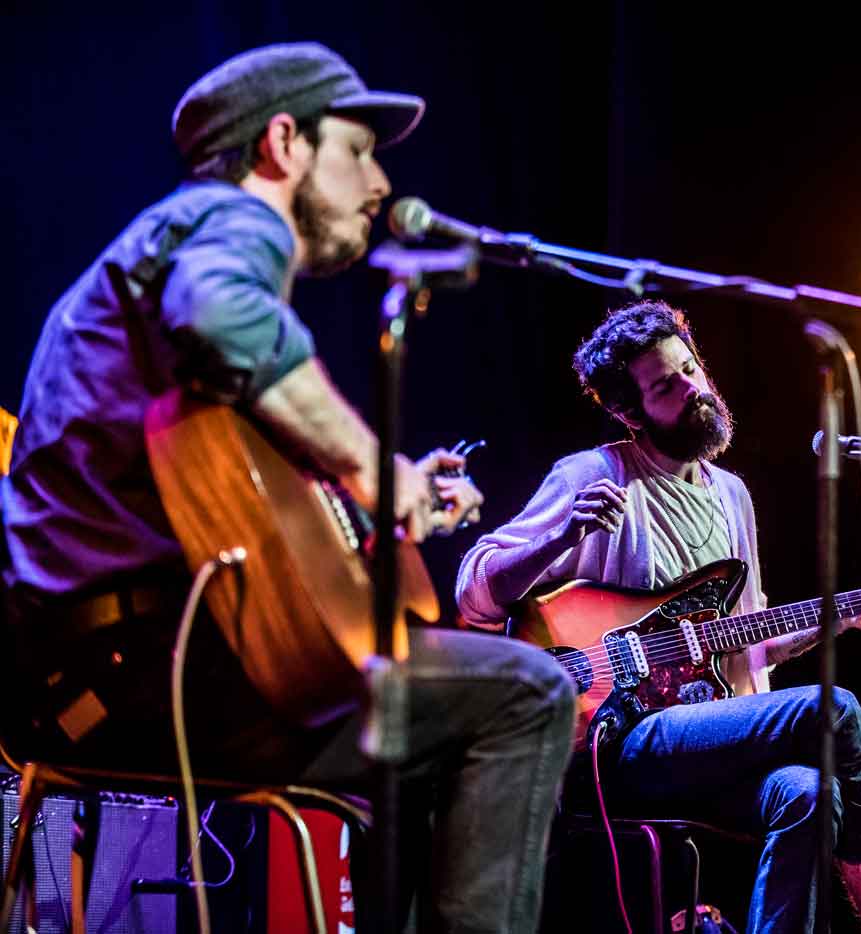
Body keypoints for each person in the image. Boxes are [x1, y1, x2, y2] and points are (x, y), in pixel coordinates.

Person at [0, 42, 574, 933]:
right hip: (152, 678)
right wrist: (374, 473)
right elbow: (220, 310)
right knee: (529, 690)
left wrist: (382, 499)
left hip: (85, 684)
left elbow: (247, 516)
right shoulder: (232, 225)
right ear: (283, 144)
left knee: (443, 736)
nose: (380, 183)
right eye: (358, 149)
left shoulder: (163, 288)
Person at [457, 300, 861, 933]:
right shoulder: (597, 474)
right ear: (629, 411)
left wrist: (845, 616)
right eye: (666, 386)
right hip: (615, 741)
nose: (694, 390)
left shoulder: (731, 496)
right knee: (833, 709)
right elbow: (475, 591)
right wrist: (558, 538)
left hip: (700, 742)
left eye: (691, 369)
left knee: (816, 794)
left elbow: (753, 639)